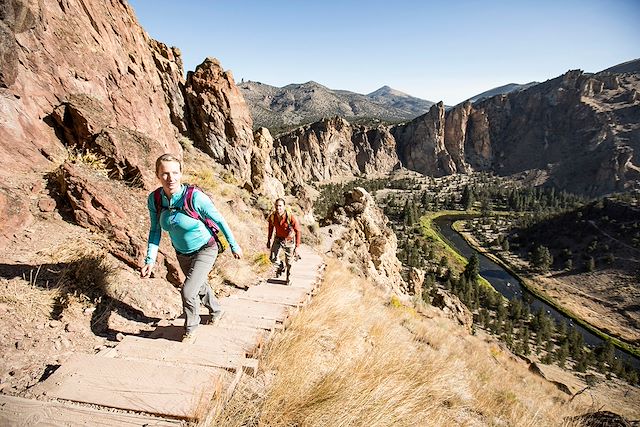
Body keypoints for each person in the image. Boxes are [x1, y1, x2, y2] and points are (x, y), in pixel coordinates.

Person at [141, 153, 242, 342]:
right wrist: (150, 260)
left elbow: (219, 220)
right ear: (157, 174)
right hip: (182, 253)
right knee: (199, 284)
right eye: (165, 173)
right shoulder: (155, 199)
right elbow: (155, 230)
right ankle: (216, 310)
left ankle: (191, 328)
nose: (170, 178)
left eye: (175, 173)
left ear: (181, 173)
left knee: (188, 290)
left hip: (206, 248)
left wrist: (234, 245)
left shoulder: (194, 197)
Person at [266, 198, 301, 285]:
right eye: (277, 206)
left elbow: (298, 231)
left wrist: (297, 246)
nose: (278, 208)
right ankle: (281, 266)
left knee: (289, 262)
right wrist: (269, 240)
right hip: (278, 238)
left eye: (280, 206)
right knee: (273, 258)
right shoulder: (272, 217)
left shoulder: (290, 217)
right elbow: (270, 228)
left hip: (289, 240)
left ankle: (289, 277)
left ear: (284, 207)